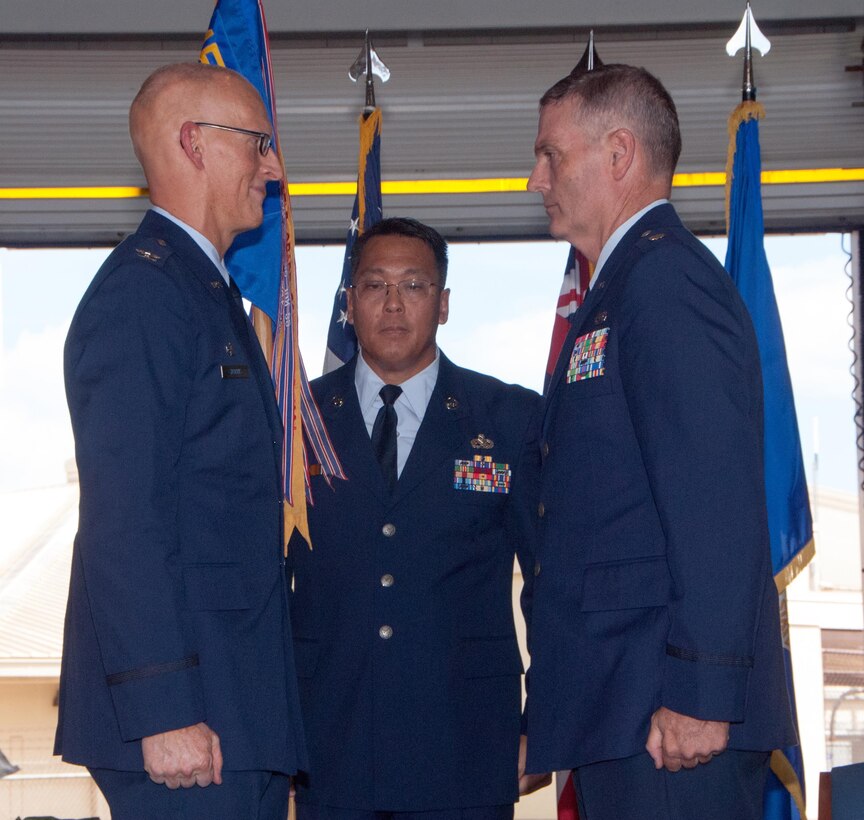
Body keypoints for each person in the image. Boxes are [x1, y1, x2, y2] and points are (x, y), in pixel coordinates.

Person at [522, 64, 797, 820]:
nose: (533, 179)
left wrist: (700, 693)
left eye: (551, 155)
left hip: (670, 719)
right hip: (626, 705)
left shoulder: (664, 282)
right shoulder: (621, 290)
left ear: (618, 154)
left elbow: (713, 505)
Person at [55, 62, 306, 819]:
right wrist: (162, 707)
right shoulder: (144, 295)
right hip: (185, 712)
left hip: (235, 701)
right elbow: (124, 519)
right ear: (194, 144)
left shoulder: (202, 293)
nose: (274, 166)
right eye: (258, 144)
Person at [287, 217, 545, 820]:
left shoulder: (507, 418)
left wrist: (544, 722)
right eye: (374, 286)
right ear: (349, 304)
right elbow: (265, 582)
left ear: (445, 303)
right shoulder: (297, 420)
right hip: (328, 745)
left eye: (415, 286)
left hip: (468, 745)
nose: (394, 304)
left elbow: (549, 581)